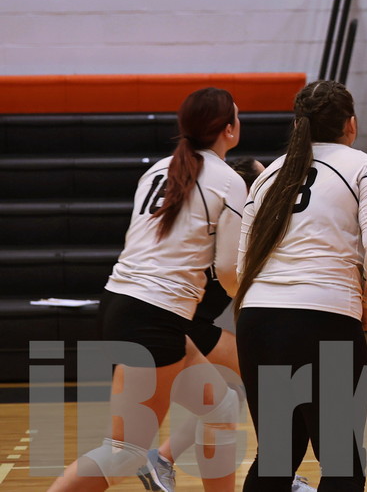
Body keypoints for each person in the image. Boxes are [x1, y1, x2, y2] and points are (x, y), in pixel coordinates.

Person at [49, 88, 246, 492]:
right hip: (151, 316)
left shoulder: (158, 169)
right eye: (237, 117)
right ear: (229, 129)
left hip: (123, 303)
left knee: (222, 407)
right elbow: (228, 269)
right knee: (124, 452)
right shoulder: (229, 180)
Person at [234, 80, 367, 490]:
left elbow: (243, 263)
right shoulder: (364, 167)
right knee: (341, 459)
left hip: (259, 322)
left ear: (297, 124)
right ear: (351, 124)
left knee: (276, 456)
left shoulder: (269, 175)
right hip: (324, 320)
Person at [138, 157, 320, 492]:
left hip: (187, 321)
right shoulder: (233, 225)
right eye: (264, 180)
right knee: (268, 381)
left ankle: (163, 458)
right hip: (182, 321)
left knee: (227, 399)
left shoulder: (232, 221)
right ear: (248, 190)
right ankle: (278, 470)